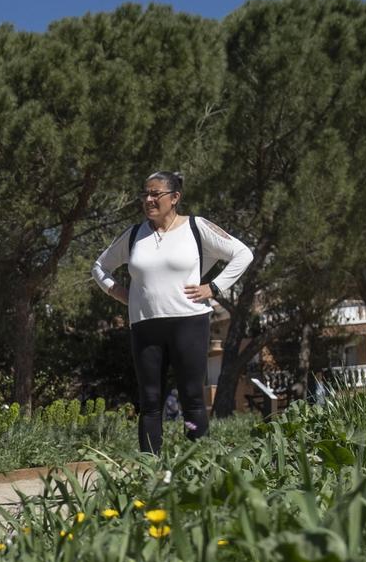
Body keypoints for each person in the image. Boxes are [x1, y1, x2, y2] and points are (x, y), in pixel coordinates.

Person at [91, 170, 254, 454]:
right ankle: (149, 474)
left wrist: (214, 287)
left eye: (156, 194)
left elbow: (242, 254)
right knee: (150, 401)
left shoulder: (196, 227)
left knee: (192, 397)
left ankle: (196, 471)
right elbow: (99, 267)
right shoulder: (133, 235)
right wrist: (118, 292)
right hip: (145, 326)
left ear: (175, 197)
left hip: (189, 323)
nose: (149, 199)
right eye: (145, 194)